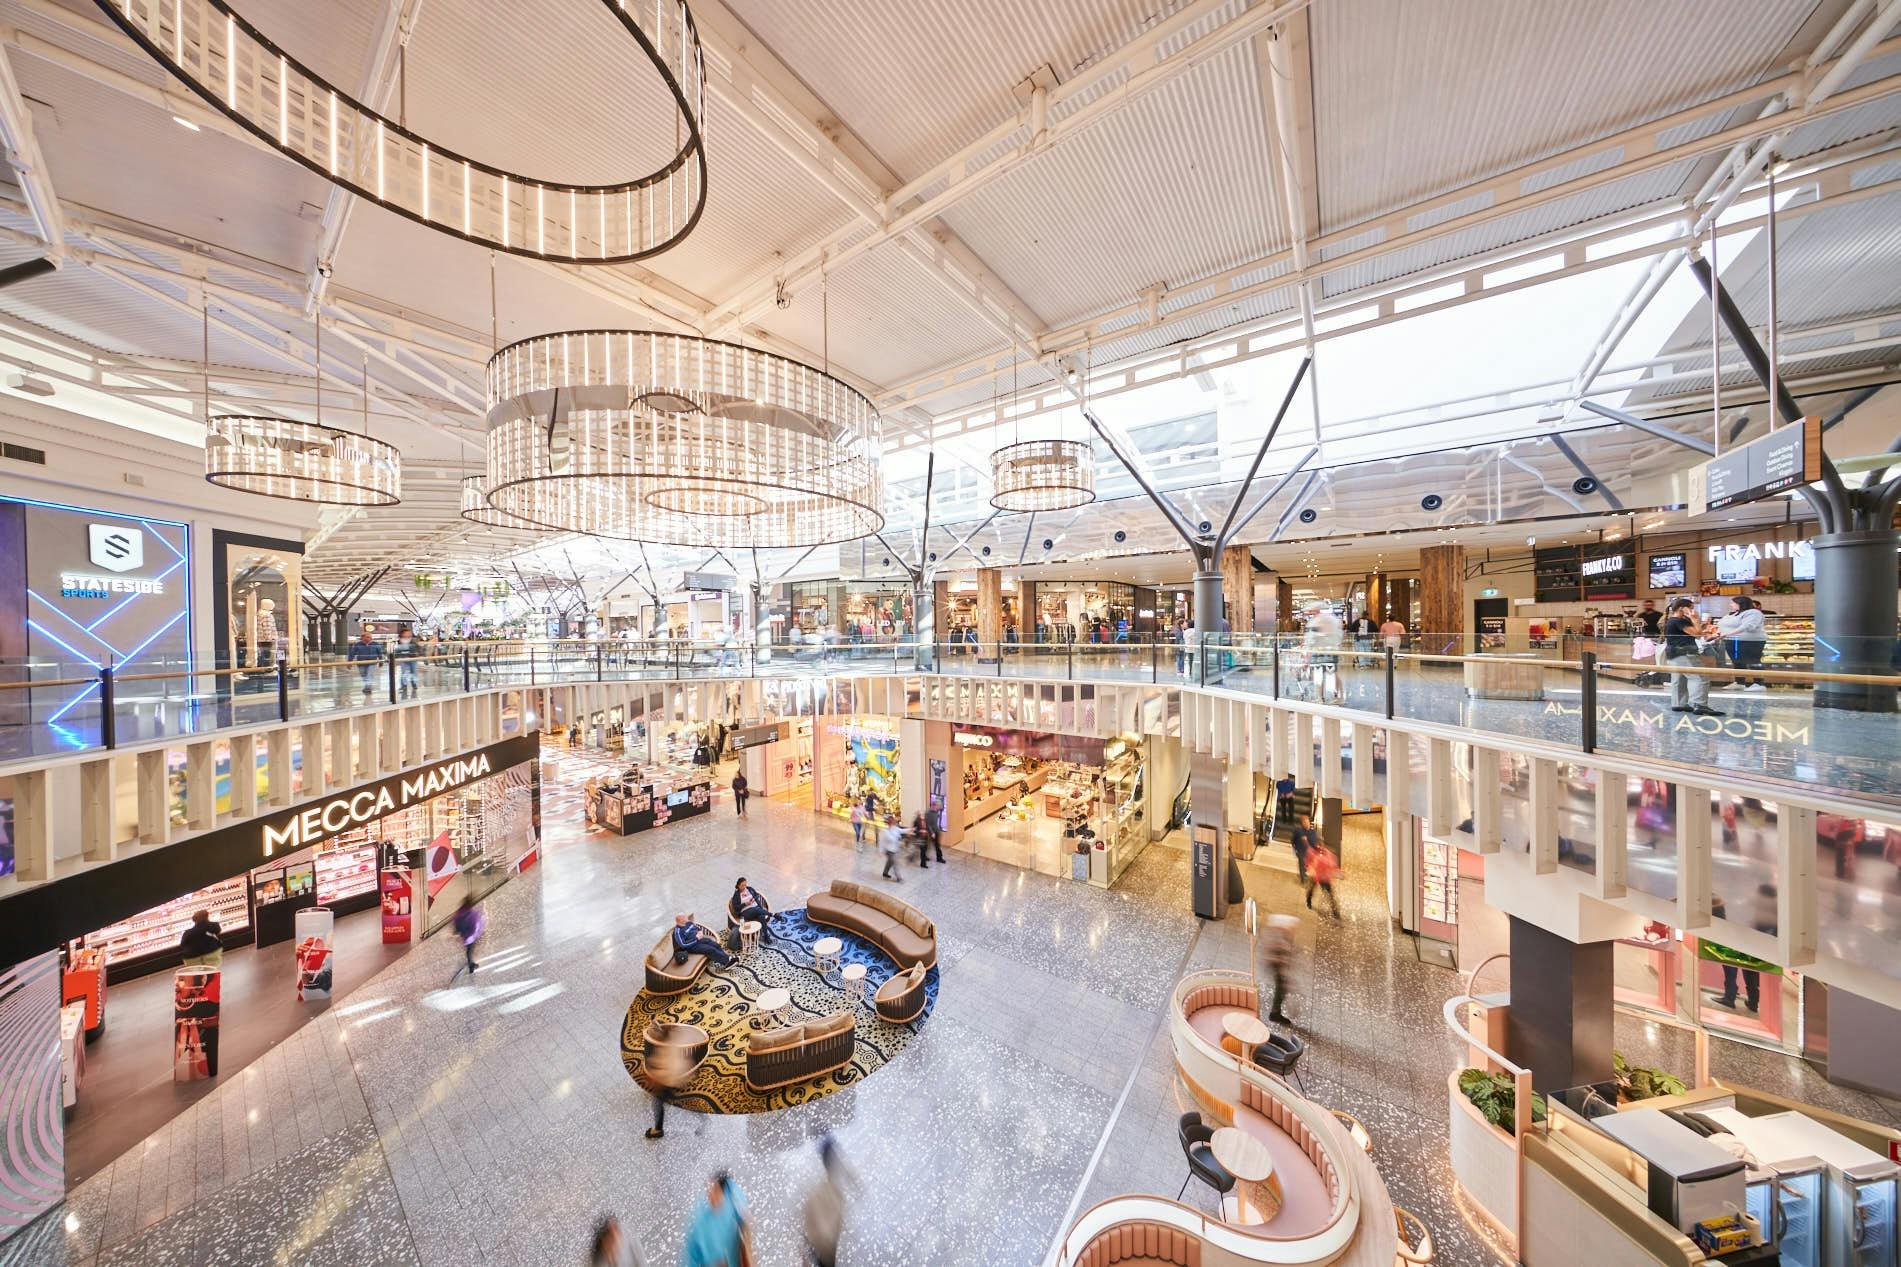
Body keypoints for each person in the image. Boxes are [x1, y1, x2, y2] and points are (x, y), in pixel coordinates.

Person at [802, 1134, 859, 1267]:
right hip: (824, 1243)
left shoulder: (825, 1187)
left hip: (823, 1240)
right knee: (826, 1261)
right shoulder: (822, 1191)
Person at [1663, 597, 1722, 717]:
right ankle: (1699, 704)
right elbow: (1697, 634)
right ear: (1682, 608)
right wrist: (1695, 619)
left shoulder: (1671, 621)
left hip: (1673, 653)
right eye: (1691, 608)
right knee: (1701, 677)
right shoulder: (1679, 621)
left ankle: (1679, 704)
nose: (1693, 611)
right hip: (1684, 653)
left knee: (1680, 679)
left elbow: (1693, 633)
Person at [681, 1172, 750, 1267]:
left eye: (716, 1191)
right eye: (710, 1190)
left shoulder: (732, 1200)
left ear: (724, 1192)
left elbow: (735, 1192)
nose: (711, 1195)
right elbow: (691, 1255)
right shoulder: (700, 1224)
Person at [641, 1032, 694, 1143]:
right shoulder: (672, 1043)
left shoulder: (665, 1051)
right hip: (677, 1080)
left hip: (668, 1083)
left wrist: (655, 1076)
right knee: (664, 1101)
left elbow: (665, 1072)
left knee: (657, 1104)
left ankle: (658, 1130)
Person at [1718, 595, 1768, 690]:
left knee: (1753, 661)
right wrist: (1719, 633)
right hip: (1733, 640)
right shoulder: (1733, 614)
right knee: (1737, 662)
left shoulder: (1754, 613)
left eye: (1733, 603)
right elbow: (1721, 624)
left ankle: (1759, 684)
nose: (1731, 604)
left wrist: (1728, 633)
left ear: (1740, 603)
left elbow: (1748, 626)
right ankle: (1739, 682)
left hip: (1750, 641)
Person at [1259, 912, 1297, 1025]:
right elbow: (1274, 954)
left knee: (1281, 989)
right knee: (1281, 989)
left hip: (1277, 966)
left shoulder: (1280, 934)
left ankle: (1275, 1012)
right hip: (1277, 967)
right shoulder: (1277, 937)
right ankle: (1275, 1013)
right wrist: (1283, 967)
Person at [1304, 840, 1342, 919]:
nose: (1320, 847)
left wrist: (1336, 872)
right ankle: (1308, 901)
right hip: (1317, 876)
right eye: (1319, 846)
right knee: (1313, 890)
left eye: (1321, 846)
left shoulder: (1326, 854)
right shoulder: (1315, 853)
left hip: (1322, 877)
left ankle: (1335, 912)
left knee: (1329, 894)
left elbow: (1332, 865)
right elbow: (1309, 862)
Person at [450, 895, 483, 980]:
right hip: (470, 937)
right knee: (469, 951)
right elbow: (475, 926)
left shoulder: (460, 912)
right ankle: (471, 965)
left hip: (465, 936)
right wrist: (476, 935)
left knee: (469, 950)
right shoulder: (472, 914)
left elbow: (455, 922)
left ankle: (471, 963)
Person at [346, 628, 381, 699]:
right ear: (363, 637)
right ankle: (367, 686)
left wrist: (381, 661)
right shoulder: (357, 645)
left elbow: (380, 653)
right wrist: (349, 662)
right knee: (364, 675)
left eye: (370, 637)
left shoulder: (375, 644)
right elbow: (352, 653)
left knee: (369, 674)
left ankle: (368, 688)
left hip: (372, 662)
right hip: (361, 663)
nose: (370, 638)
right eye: (368, 637)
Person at [392, 627, 422, 699]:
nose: (408, 635)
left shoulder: (413, 641)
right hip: (403, 659)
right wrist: (397, 657)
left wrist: (417, 654)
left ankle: (414, 684)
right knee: (404, 673)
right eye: (407, 633)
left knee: (413, 672)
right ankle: (404, 685)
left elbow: (418, 649)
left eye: (409, 633)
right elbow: (396, 650)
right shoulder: (399, 641)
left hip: (413, 659)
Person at [1289, 812, 1319, 883]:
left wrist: (1316, 848)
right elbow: (1293, 840)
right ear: (1302, 823)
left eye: (1307, 822)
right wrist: (1295, 848)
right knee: (1302, 863)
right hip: (1301, 851)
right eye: (1304, 822)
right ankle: (1303, 879)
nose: (1306, 823)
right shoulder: (1298, 831)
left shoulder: (1313, 831)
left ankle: (1304, 873)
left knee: (1307, 865)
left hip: (1310, 852)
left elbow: (1314, 841)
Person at [878, 814, 904, 882]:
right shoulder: (884, 831)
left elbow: (902, 831)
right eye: (892, 821)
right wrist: (880, 851)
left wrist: (911, 830)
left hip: (894, 849)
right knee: (894, 862)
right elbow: (881, 842)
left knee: (890, 862)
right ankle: (899, 878)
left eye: (893, 821)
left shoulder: (895, 828)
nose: (894, 823)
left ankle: (885, 872)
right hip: (888, 850)